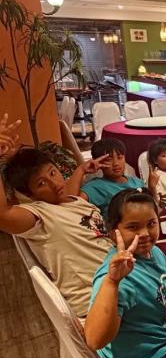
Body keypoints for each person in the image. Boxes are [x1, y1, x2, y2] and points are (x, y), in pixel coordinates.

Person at [0, 114, 112, 317]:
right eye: (41, 183)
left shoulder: (72, 200)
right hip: (97, 301)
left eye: (52, 173)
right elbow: (3, 215)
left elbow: (67, 191)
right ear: (30, 195)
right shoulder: (39, 217)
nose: (54, 183)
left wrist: (81, 170)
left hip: (122, 281)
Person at [85, 188, 166, 358]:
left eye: (151, 224)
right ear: (113, 232)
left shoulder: (155, 252)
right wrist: (112, 282)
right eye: (133, 227)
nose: (145, 234)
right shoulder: (118, 278)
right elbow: (94, 339)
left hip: (165, 343)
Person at [81, 138, 145, 219]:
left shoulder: (137, 182)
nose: (116, 163)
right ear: (98, 162)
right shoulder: (95, 187)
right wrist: (81, 170)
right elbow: (70, 202)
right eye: (109, 159)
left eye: (120, 157)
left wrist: (152, 187)